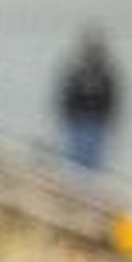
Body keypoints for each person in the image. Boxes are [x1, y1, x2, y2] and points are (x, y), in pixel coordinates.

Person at [54, 26, 121, 173]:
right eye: (88, 50)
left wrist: (110, 117)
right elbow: (66, 93)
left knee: (92, 159)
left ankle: (88, 186)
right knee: (75, 158)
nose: (91, 54)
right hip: (78, 118)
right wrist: (65, 114)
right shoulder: (76, 71)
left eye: (94, 50)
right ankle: (74, 187)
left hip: (96, 120)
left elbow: (112, 97)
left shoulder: (105, 74)